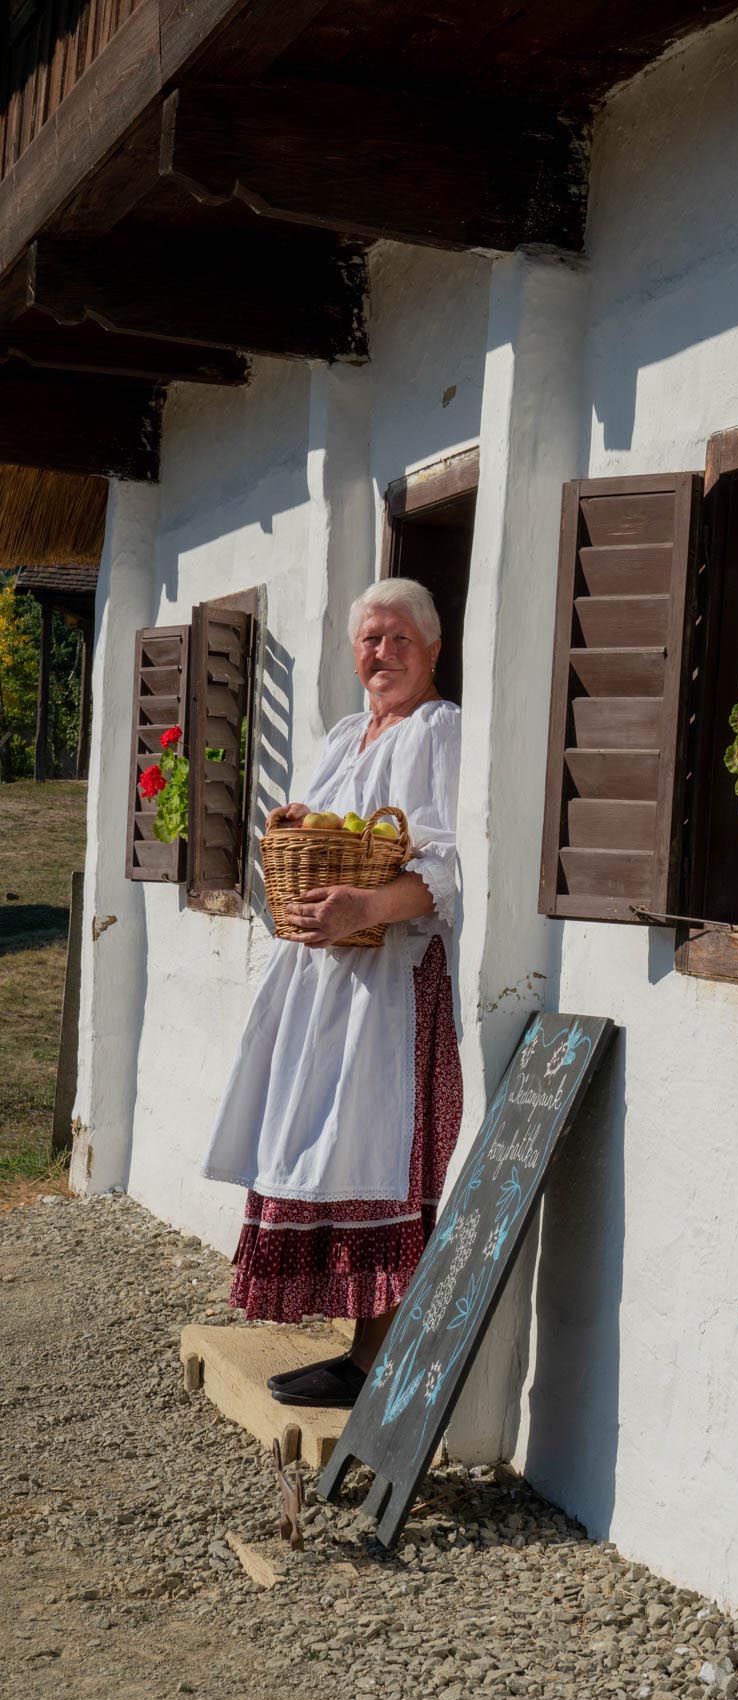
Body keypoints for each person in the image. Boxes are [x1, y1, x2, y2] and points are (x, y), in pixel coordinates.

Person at [202, 578, 463, 1407]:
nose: (380, 654)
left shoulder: (436, 730)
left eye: (397, 639)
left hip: (391, 983)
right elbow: (323, 828)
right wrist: (295, 829)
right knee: (320, 1143)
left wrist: (367, 906)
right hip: (326, 976)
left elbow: (445, 868)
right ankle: (357, 1355)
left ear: (431, 648)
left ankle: (373, 1363)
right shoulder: (349, 732)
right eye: (369, 641)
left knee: (377, 1152)